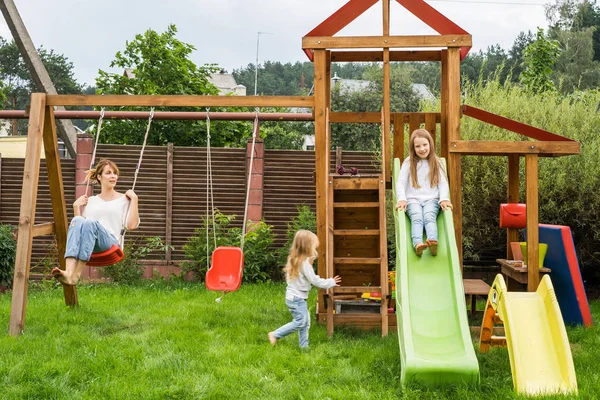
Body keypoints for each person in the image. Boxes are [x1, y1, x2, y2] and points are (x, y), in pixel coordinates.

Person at [52, 159, 140, 285]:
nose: (113, 176)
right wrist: (76, 207)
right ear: (99, 177)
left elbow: (132, 225)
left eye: (115, 173)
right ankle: (69, 272)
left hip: (110, 243)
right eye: (108, 173)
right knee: (78, 220)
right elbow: (80, 229)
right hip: (91, 244)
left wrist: (135, 199)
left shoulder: (124, 200)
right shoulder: (91, 201)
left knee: (90, 223)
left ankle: (76, 275)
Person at [268, 230, 341, 348]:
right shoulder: (304, 264)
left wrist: (311, 259)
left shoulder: (295, 259)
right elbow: (314, 280)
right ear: (307, 247)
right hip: (297, 299)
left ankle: (304, 347)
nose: (315, 249)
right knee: (300, 322)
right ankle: (275, 334)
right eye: (313, 246)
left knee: (305, 323)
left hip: (295, 297)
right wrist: (330, 282)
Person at [394, 129, 452, 256]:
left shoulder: (436, 162)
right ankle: (418, 244)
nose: (422, 149)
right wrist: (402, 199)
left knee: (429, 217)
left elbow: (443, 183)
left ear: (430, 144)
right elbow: (401, 182)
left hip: (432, 199)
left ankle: (432, 241)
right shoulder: (409, 162)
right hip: (412, 200)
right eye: (418, 146)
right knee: (417, 218)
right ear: (413, 148)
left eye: (425, 145)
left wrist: (443, 198)